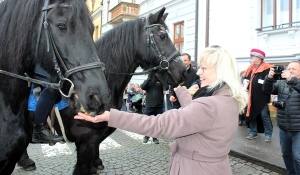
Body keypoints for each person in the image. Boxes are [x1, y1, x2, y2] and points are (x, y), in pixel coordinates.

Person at [74, 47, 248, 175]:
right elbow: (196, 115)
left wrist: (112, 116)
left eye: (204, 68)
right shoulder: (228, 98)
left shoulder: (209, 106)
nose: (199, 72)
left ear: (221, 71)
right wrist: (180, 89)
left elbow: (158, 124)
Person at [262, 61, 300, 175]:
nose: (291, 70)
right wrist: (269, 78)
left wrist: (292, 80)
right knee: (286, 154)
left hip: (298, 129)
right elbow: (267, 90)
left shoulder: (293, 81)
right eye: (289, 68)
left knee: (298, 157)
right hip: (283, 127)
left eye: (294, 69)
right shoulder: (282, 83)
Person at [242, 48, 273, 142]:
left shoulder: (267, 69)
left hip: (262, 97)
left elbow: (270, 82)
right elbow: (244, 78)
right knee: (251, 115)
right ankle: (253, 132)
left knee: (264, 115)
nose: (251, 57)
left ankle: (268, 134)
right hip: (251, 96)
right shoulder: (250, 68)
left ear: (259, 57)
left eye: (253, 56)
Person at [140, 74, 165, 144]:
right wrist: (149, 78)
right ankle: (146, 136)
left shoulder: (160, 81)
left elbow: (167, 87)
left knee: (156, 123)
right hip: (149, 106)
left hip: (159, 106)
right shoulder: (148, 82)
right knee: (147, 122)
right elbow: (142, 86)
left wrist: (161, 78)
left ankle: (155, 137)